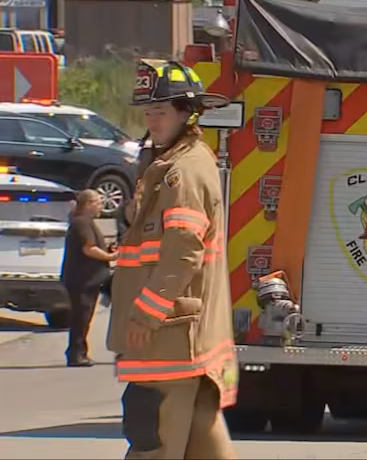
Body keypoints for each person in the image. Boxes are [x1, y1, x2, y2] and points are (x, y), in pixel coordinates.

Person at [107, 59, 238, 460]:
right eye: (148, 111)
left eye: (161, 111)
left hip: (167, 337)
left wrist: (146, 313)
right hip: (182, 339)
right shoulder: (174, 164)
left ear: (187, 113)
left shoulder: (182, 171)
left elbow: (184, 250)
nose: (153, 119)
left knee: (152, 440)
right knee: (202, 442)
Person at [60, 189, 116, 367]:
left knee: (84, 317)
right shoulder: (81, 223)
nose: (100, 206)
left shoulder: (87, 222)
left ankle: (78, 351)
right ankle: (77, 354)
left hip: (89, 279)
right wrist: (111, 257)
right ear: (88, 204)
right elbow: (88, 248)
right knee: (81, 317)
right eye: (98, 202)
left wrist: (108, 251)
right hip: (81, 280)